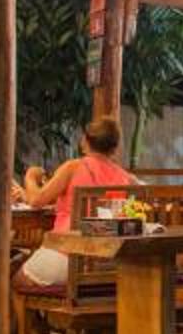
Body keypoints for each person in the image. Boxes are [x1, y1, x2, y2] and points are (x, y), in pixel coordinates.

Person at [16, 118, 136, 290]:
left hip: (67, 257)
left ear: (84, 141)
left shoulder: (73, 168)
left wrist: (30, 176)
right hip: (108, 266)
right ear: (115, 148)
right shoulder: (127, 178)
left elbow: (36, 201)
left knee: (14, 281)